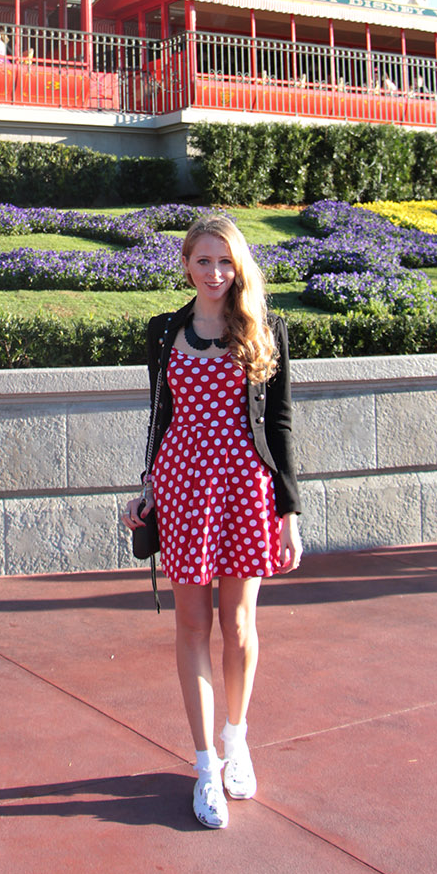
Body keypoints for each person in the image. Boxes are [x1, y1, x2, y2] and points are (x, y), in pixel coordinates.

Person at [123, 214, 302, 830]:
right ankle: (204, 768)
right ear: (186, 265)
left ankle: (236, 740)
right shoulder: (162, 332)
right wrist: (146, 488)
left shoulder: (264, 329)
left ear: (239, 265)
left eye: (226, 261)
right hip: (181, 491)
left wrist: (288, 514)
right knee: (192, 626)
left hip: (245, 492)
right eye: (204, 261)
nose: (216, 273)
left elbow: (278, 427)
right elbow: (158, 421)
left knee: (240, 624)